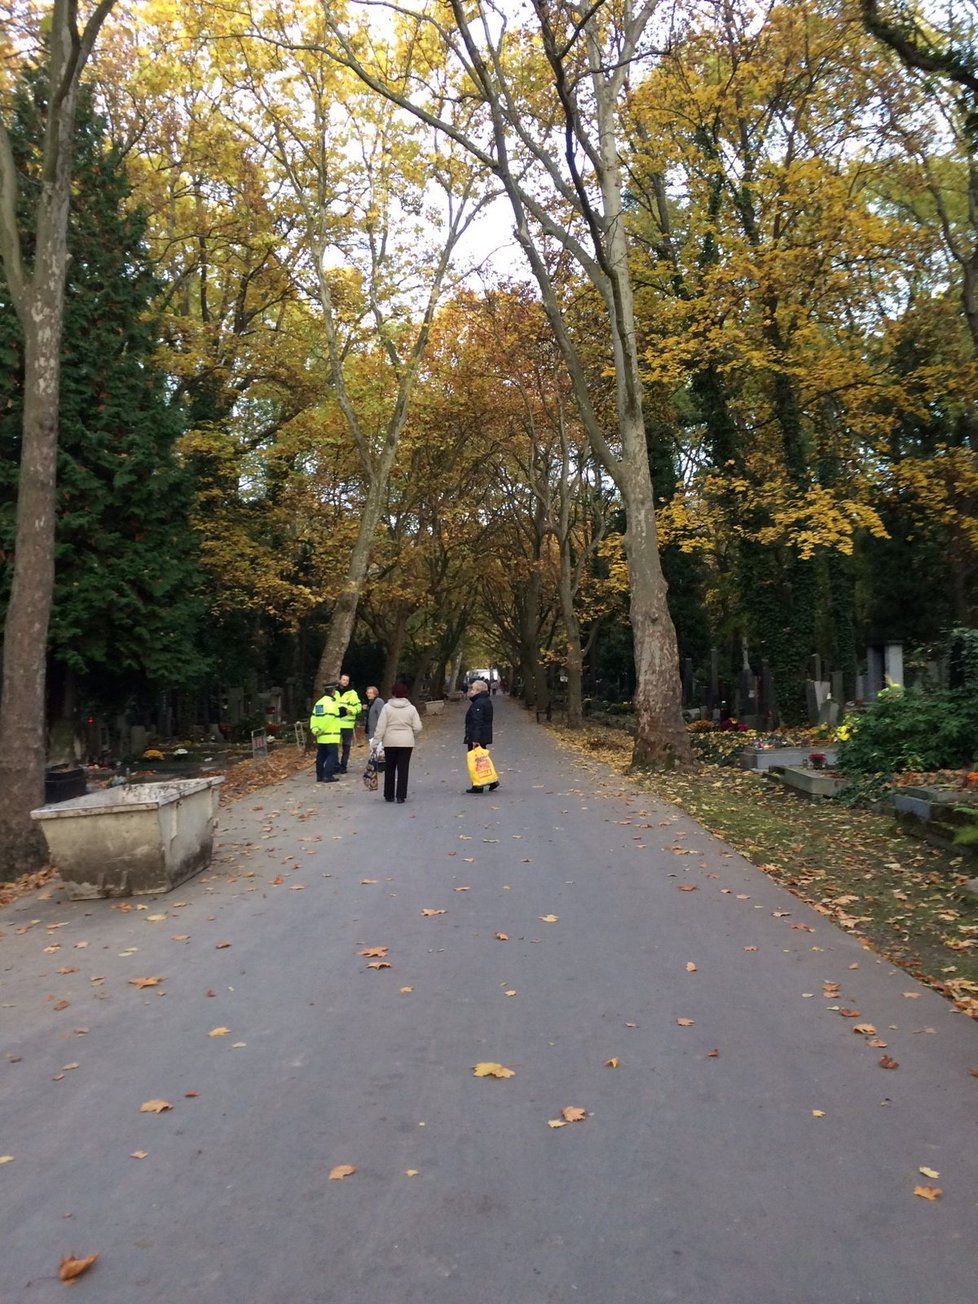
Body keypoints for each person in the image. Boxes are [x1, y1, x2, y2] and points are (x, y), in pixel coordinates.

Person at [373, 682, 423, 803]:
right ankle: (401, 795)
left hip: (390, 741)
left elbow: (381, 726)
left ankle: (388, 794)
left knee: (389, 768)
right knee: (403, 769)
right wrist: (411, 734)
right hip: (406, 742)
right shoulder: (411, 709)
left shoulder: (387, 707)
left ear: (393, 693)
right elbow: (417, 727)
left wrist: (376, 741)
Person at [464, 678, 498, 793]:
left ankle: (478, 785)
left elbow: (477, 721)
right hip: (483, 734)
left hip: (478, 735)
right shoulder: (484, 701)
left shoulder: (479, 703)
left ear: (478, 690)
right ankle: (491, 781)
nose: (471, 691)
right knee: (482, 759)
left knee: (476, 761)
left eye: (473, 689)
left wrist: (475, 739)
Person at [309, 682, 342, 783]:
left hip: (321, 736)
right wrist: (321, 729)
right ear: (333, 692)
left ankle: (319, 775)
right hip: (331, 735)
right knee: (332, 755)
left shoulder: (319, 703)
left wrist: (315, 729)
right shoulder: (332, 704)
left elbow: (314, 717)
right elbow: (327, 719)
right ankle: (328, 775)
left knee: (321, 755)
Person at [336, 673, 361, 774]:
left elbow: (358, 707)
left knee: (346, 746)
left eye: (347, 680)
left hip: (347, 724)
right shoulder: (334, 692)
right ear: (339, 680)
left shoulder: (352, 693)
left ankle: (343, 766)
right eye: (343, 680)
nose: (345, 682)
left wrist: (350, 710)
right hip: (335, 724)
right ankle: (335, 765)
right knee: (334, 747)